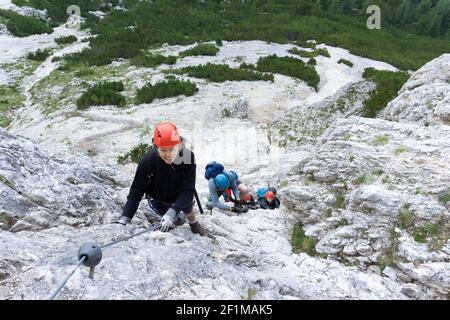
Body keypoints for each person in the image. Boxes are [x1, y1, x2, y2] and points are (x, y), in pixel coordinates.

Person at [117, 121, 208, 236]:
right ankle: (177, 218)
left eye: (172, 149)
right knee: (179, 220)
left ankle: (194, 224)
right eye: (163, 150)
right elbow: (136, 192)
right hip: (158, 199)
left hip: (181, 194)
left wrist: (172, 212)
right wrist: (125, 218)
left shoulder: (187, 157)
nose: (169, 155)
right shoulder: (147, 162)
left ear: (179, 144)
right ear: (156, 147)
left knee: (188, 209)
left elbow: (188, 190)